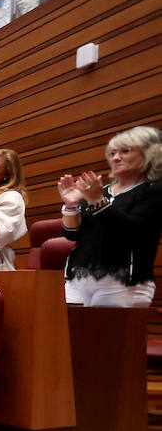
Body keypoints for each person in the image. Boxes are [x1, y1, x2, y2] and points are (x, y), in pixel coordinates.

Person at [58, 125, 162, 307]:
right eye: (112, 153)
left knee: (107, 336)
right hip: (79, 280)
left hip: (123, 283)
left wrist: (98, 202)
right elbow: (72, 234)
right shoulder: (100, 191)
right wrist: (71, 204)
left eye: (125, 151)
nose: (116, 158)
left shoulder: (153, 191)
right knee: (68, 335)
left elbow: (134, 232)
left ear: (149, 154)